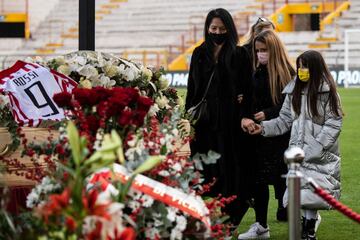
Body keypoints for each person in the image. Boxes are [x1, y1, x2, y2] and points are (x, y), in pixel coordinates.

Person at [248, 50, 343, 240]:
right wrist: (263, 128)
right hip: (297, 152)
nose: (301, 70)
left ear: (315, 68)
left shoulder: (328, 92)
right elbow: (284, 119)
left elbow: (334, 122)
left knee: (312, 191)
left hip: (320, 153)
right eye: (299, 66)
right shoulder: (294, 92)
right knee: (301, 192)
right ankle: (308, 224)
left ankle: (308, 226)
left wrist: (317, 146)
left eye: (305, 66)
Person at [185, 8, 252, 225]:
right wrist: (188, 120)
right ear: (207, 28)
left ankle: (230, 216)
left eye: (222, 29)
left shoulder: (240, 54)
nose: (217, 32)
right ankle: (207, 214)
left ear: (229, 29)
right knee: (205, 169)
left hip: (230, 122)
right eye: (213, 28)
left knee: (230, 169)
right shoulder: (199, 53)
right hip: (203, 122)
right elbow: (192, 88)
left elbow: (246, 90)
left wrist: (243, 113)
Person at [237, 30, 295, 239]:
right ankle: (261, 225)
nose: (261, 54)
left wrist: (269, 113)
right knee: (258, 181)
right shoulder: (254, 71)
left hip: (280, 137)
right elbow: (250, 99)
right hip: (258, 135)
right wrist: (246, 113)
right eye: (258, 50)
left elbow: (289, 108)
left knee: (282, 181)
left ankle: (302, 217)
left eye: (264, 50)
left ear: (274, 50)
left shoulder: (288, 73)